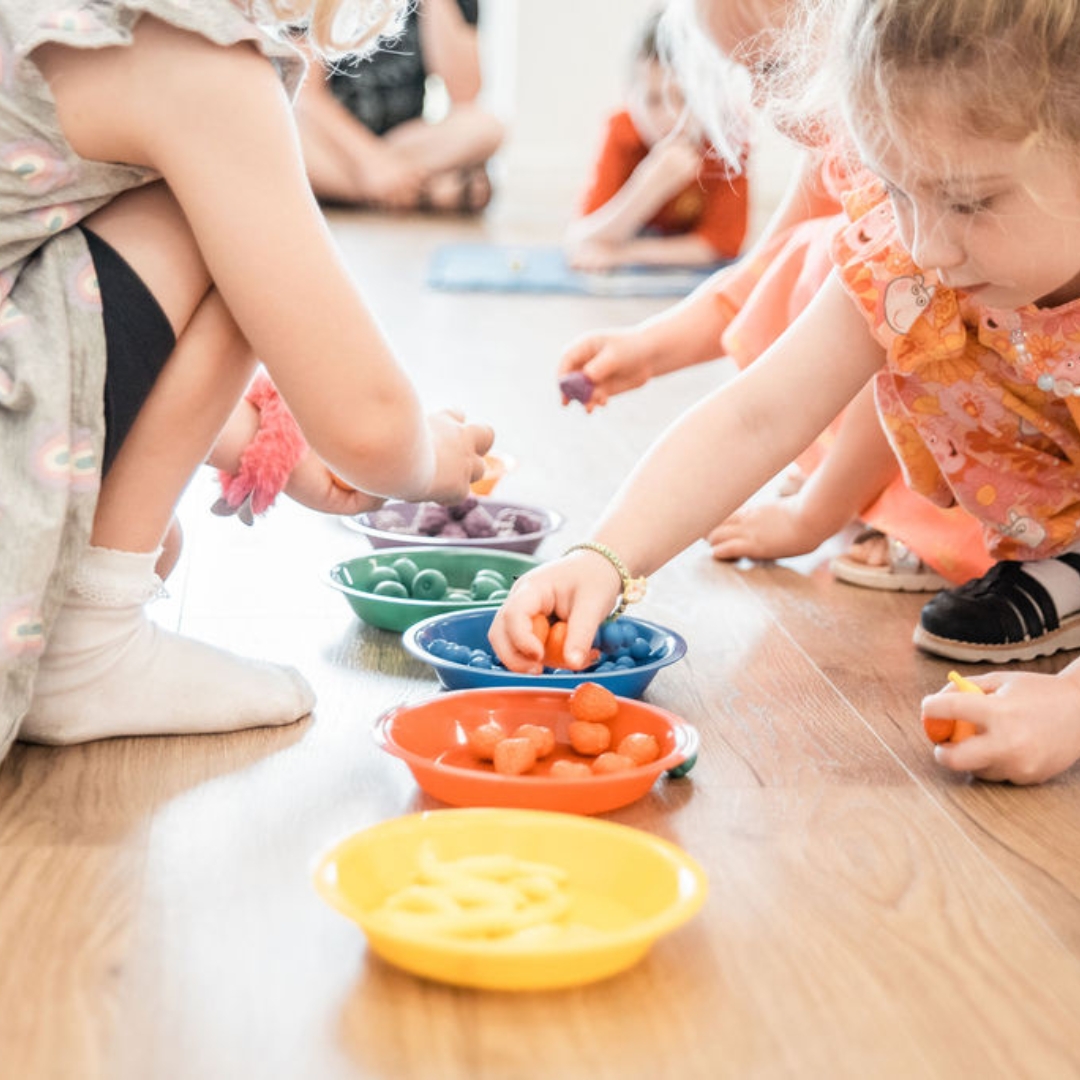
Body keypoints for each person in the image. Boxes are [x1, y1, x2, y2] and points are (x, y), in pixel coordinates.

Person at [492, 0, 1080, 785]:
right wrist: (605, 556)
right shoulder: (909, 259)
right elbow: (756, 415)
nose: (927, 245)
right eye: (897, 192)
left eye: (971, 201)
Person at [0, 0, 494, 762]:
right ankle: (89, 646)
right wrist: (429, 459)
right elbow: (368, 423)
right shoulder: (199, 62)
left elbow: (58, 304)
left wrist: (271, 444)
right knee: (223, 204)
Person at [558, 0, 992, 591]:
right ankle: (869, 490)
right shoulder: (836, 151)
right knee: (813, 261)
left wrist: (813, 516)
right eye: (748, 75)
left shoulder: (922, 203)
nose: (762, 102)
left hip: (1003, 439)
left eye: (775, 69)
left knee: (853, 273)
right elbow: (761, 271)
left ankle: (923, 516)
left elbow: (890, 359)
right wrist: (648, 348)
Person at [563, 9, 749, 273]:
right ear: (629, 96)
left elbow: (723, 245)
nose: (671, 119)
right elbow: (580, 238)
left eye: (684, 98)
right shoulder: (622, 130)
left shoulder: (729, 138)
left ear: (708, 94)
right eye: (652, 100)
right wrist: (647, 187)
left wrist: (623, 254)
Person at [294, 0, 504, 213]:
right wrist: (374, 162)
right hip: (331, 145)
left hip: (403, 145)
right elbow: (308, 98)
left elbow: (465, 93)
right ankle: (425, 191)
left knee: (487, 127)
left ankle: (381, 189)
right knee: (286, 143)